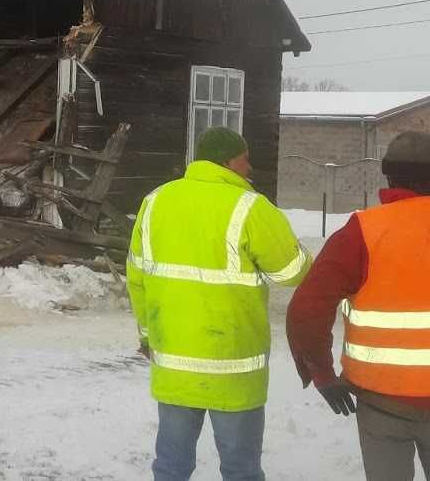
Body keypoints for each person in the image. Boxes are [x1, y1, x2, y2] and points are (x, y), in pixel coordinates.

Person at [286, 131, 430, 481]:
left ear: (388, 175)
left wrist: (321, 374)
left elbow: (307, 308)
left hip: (381, 399)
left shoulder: (363, 231)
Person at [127, 126, 312, 481]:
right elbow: (292, 271)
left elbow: (138, 278)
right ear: (228, 161)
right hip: (233, 367)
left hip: (175, 364)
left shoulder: (155, 203)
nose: (250, 167)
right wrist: (301, 252)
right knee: (241, 469)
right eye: (246, 159)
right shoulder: (251, 207)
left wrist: (149, 336)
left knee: (170, 467)